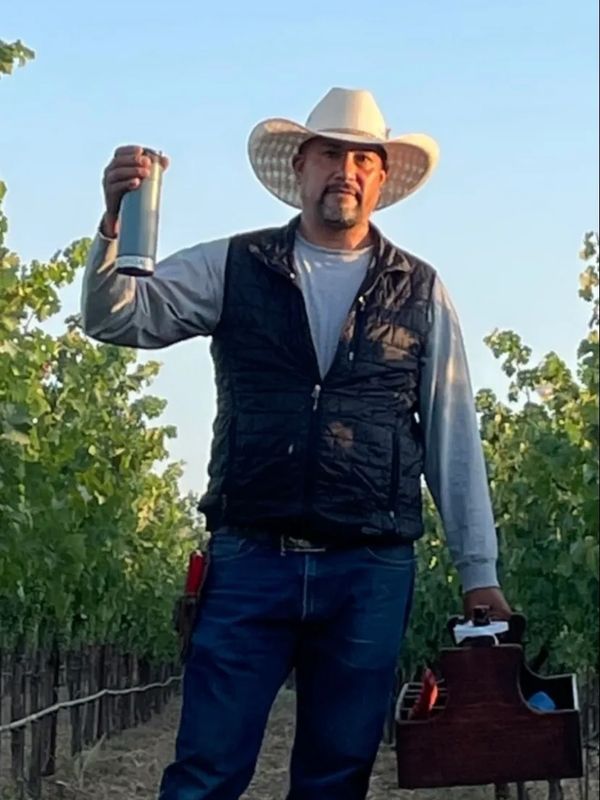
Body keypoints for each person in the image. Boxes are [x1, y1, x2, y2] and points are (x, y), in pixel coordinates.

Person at [81, 87, 511, 800]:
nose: (346, 170)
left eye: (363, 159)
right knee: (205, 772)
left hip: (369, 569)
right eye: (331, 155)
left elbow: (450, 431)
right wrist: (112, 223)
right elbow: (119, 318)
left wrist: (479, 570)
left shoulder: (421, 288)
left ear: (379, 178)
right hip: (250, 559)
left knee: (336, 777)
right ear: (301, 167)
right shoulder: (233, 266)